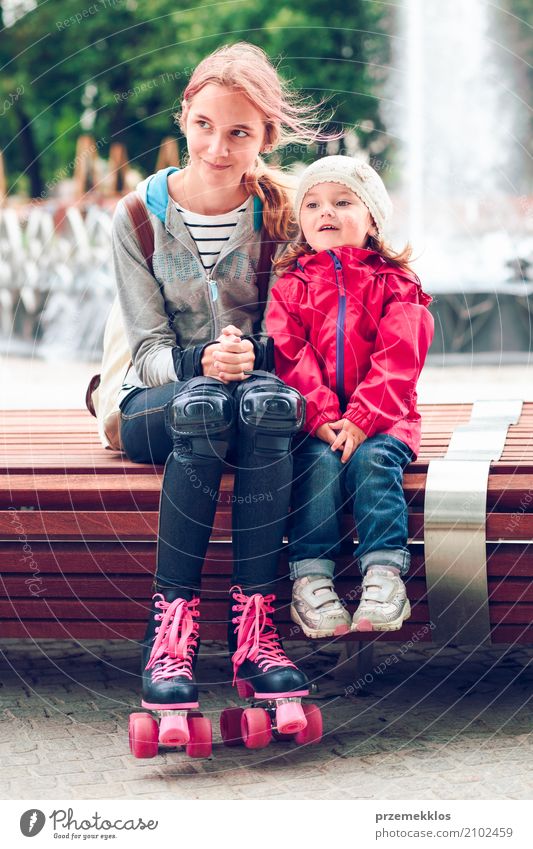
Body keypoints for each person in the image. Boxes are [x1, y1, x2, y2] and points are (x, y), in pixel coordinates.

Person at [113, 43, 329, 724]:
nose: (217, 145)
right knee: (206, 404)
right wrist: (200, 362)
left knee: (264, 401)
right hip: (158, 403)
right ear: (184, 116)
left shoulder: (286, 214)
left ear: (264, 137)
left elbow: (299, 337)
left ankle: (255, 635)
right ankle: (169, 638)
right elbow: (146, 350)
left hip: (255, 402)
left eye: (239, 131)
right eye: (205, 124)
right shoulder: (139, 217)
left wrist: (250, 356)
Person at [266, 155, 434, 638]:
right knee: (317, 464)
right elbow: (289, 356)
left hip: (386, 421)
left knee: (373, 462)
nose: (327, 213)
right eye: (313, 204)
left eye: (343, 202)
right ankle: (311, 579)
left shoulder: (397, 283)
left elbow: (399, 358)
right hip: (319, 423)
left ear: (373, 219)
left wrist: (362, 419)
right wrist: (320, 415)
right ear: (300, 220)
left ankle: (383, 573)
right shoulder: (291, 287)